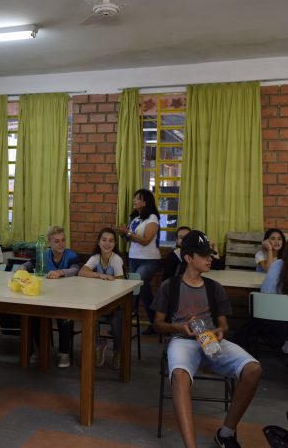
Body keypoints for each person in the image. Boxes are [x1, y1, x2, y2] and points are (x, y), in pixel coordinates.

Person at [152, 231, 262, 448]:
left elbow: (224, 325)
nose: (210, 258)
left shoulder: (214, 288)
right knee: (179, 375)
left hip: (211, 338)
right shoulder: (170, 287)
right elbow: (158, 324)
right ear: (188, 258)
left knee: (253, 369)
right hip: (182, 339)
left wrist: (220, 331)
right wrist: (178, 327)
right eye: (203, 255)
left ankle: (226, 433)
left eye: (209, 254)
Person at [20, 225, 80, 368]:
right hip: (45, 297)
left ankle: (64, 353)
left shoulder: (71, 254)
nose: (61, 244)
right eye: (57, 241)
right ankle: (40, 349)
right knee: (34, 315)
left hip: (66, 298)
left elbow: (76, 269)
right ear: (49, 243)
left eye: (63, 240)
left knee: (65, 317)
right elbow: (29, 264)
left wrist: (61, 272)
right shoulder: (44, 254)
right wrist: (22, 268)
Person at [116, 189, 161, 335]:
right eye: (134, 198)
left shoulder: (152, 218)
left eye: (137, 198)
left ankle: (121, 324)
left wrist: (128, 233)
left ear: (145, 202)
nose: (134, 201)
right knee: (143, 291)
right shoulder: (135, 218)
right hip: (133, 258)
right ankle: (155, 323)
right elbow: (129, 240)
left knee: (134, 288)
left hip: (149, 260)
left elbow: (146, 240)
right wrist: (123, 234)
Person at [79, 227, 124, 369]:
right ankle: (98, 345)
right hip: (99, 302)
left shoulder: (116, 260)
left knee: (117, 323)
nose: (107, 243)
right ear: (98, 242)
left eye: (111, 241)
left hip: (116, 304)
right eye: (104, 240)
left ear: (115, 244)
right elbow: (82, 272)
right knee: (90, 318)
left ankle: (117, 350)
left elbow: (121, 282)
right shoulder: (95, 258)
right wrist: (100, 275)